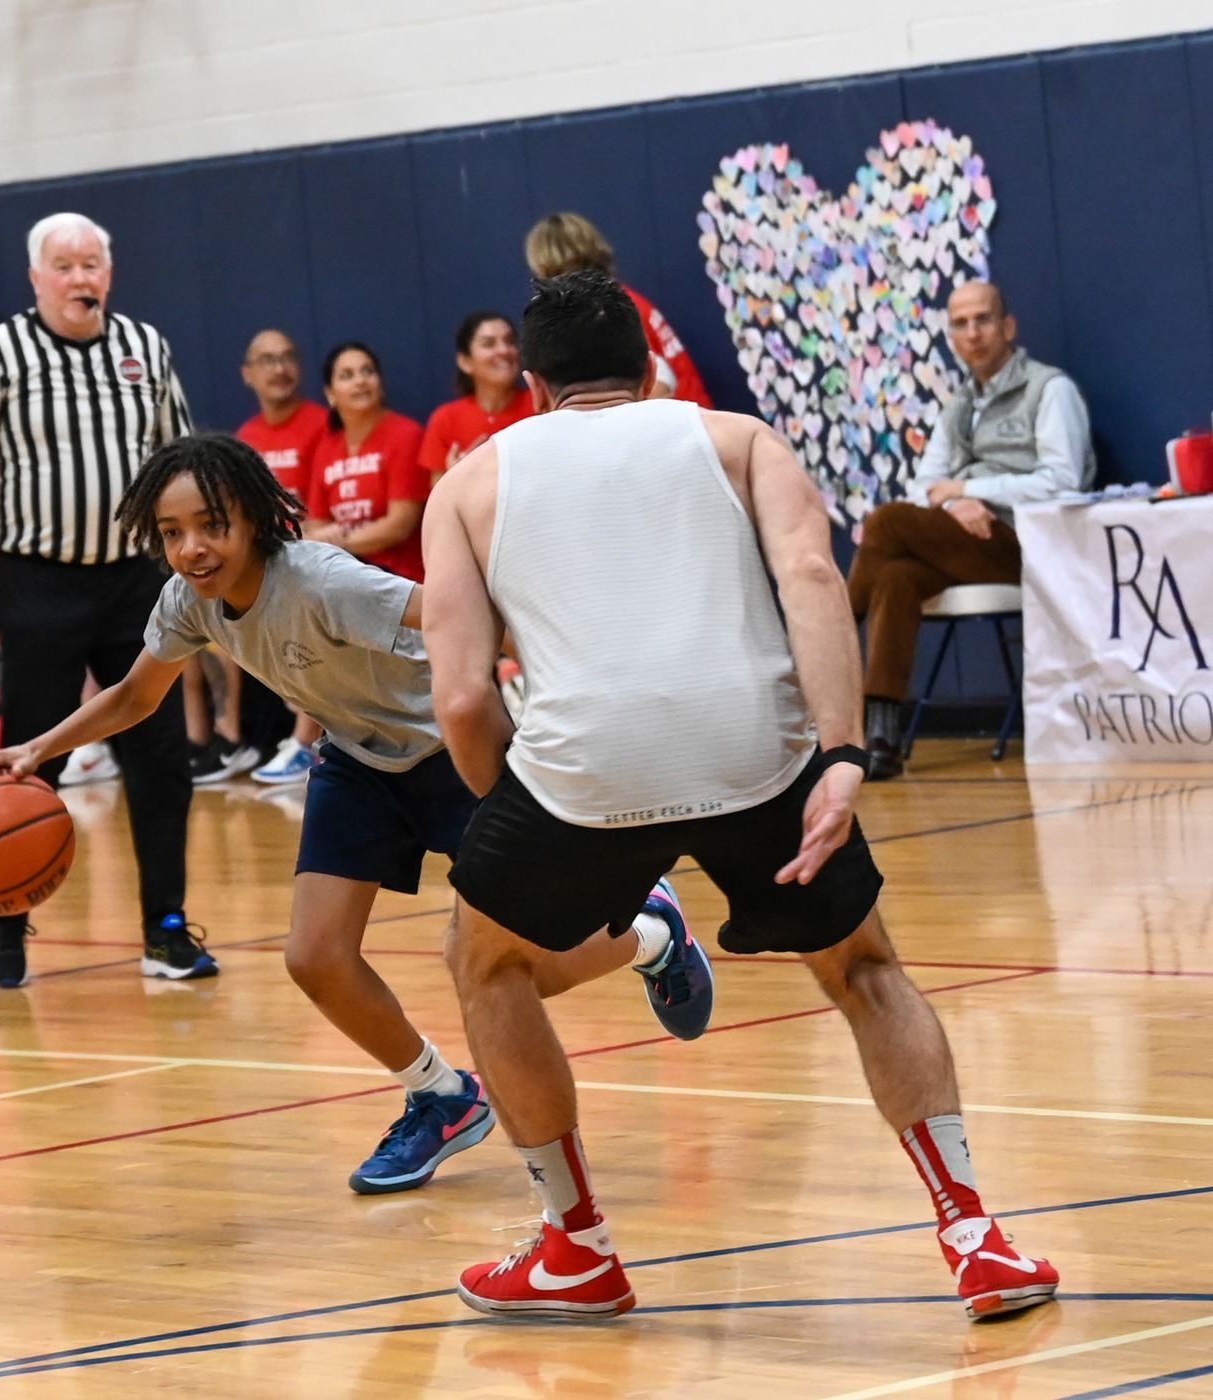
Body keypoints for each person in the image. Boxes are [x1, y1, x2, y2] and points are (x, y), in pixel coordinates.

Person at [425, 271, 1057, 1323]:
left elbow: (457, 695)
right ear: (645, 366)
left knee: (484, 961)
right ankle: (971, 1233)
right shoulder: (733, 438)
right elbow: (812, 579)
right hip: (754, 751)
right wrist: (845, 752)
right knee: (862, 967)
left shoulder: (469, 480)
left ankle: (575, 1245)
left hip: (582, 767)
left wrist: (514, 818)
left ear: (530, 383)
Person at [0, 431, 714, 1192]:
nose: (192, 548)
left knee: (526, 968)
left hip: (454, 750)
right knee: (314, 957)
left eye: (210, 525)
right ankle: (441, 1097)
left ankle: (650, 933)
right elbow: (134, 695)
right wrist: (33, 752)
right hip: (357, 762)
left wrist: (576, 683)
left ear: (251, 516)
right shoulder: (190, 601)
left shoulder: (320, 581)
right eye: (173, 533)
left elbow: (454, 612)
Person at [0, 211, 206, 988]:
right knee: (30, 760)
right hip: (39, 581)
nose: (81, 278)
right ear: (36, 278)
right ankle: (8, 916)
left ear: (110, 273)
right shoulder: (2, 352)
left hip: (135, 584)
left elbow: (181, 458)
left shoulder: (146, 348)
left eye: (93, 264)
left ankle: (166, 929)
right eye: (65, 265)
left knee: (160, 762)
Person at [848, 280, 1094, 779]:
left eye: (983, 319)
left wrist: (974, 489)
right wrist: (958, 501)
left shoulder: (1050, 389)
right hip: (965, 541)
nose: (973, 332)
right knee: (896, 576)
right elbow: (925, 486)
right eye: (960, 324)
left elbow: (1065, 481)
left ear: (1008, 327)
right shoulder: (960, 403)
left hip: (1030, 543)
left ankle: (824, 643)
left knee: (887, 521)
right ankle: (880, 737)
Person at [235, 328, 328, 785]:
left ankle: (305, 742)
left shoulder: (322, 424)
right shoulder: (244, 438)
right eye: (267, 360)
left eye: (288, 356)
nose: (280, 368)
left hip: (310, 557)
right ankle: (226, 741)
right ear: (247, 374)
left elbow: (321, 511)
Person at [526, 212, 713, 406]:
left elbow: (661, 382)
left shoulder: (602, 309)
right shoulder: (616, 300)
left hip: (679, 425)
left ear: (542, 262)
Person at [302, 343, 428, 582]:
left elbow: (399, 525)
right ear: (330, 394)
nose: (360, 381)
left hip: (400, 578)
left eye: (367, 371)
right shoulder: (326, 448)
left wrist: (336, 543)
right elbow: (316, 523)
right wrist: (320, 539)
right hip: (344, 577)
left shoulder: (406, 434)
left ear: (380, 384)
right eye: (347, 375)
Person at [418, 311, 537, 484]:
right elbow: (438, 499)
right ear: (465, 361)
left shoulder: (541, 405)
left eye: (510, 341)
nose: (504, 350)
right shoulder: (445, 419)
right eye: (489, 344)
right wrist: (456, 478)